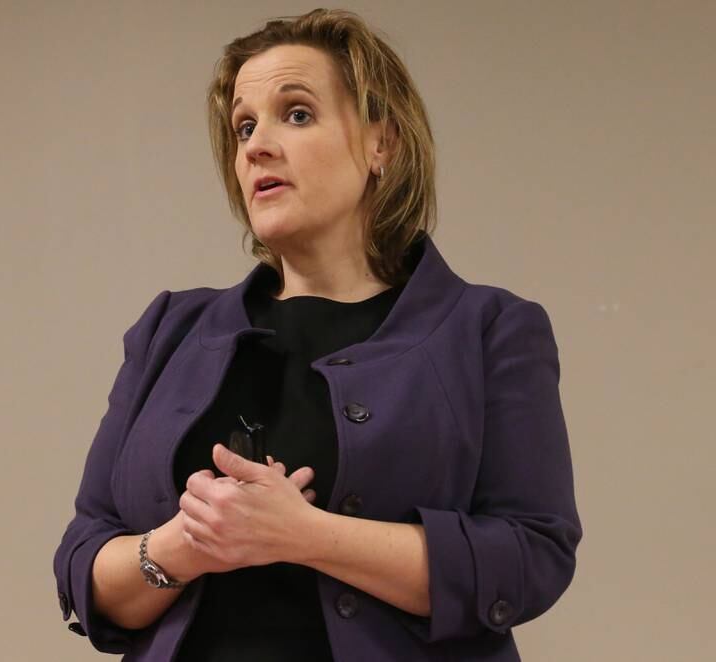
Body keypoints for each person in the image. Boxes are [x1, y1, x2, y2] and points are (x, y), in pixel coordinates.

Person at [52, 8, 582, 661]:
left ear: (380, 142)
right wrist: (186, 544)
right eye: (244, 126)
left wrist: (304, 535)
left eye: (296, 114)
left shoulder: (489, 331)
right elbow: (84, 560)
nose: (256, 146)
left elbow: (530, 556)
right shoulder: (169, 330)